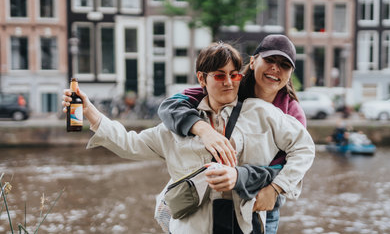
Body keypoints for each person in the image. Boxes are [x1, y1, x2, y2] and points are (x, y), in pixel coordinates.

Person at [62, 42, 315, 234]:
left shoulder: (263, 113)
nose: (228, 82)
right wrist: (90, 113)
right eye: (219, 75)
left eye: (234, 75)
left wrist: (275, 187)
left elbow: (304, 148)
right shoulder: (179, 126)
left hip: (245, 225)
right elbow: (130, 144)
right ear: (201, 79)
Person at [158, 34, 307, 233]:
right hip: (217, 194)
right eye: (270, 60)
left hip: (261, 199)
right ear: (253, 62)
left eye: (284, 65)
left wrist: (274, 189)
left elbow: (294, 160)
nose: (275, 68)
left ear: (290, 73)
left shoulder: (292, 114)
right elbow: (171, 105)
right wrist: (203, 130)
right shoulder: (232, 85)